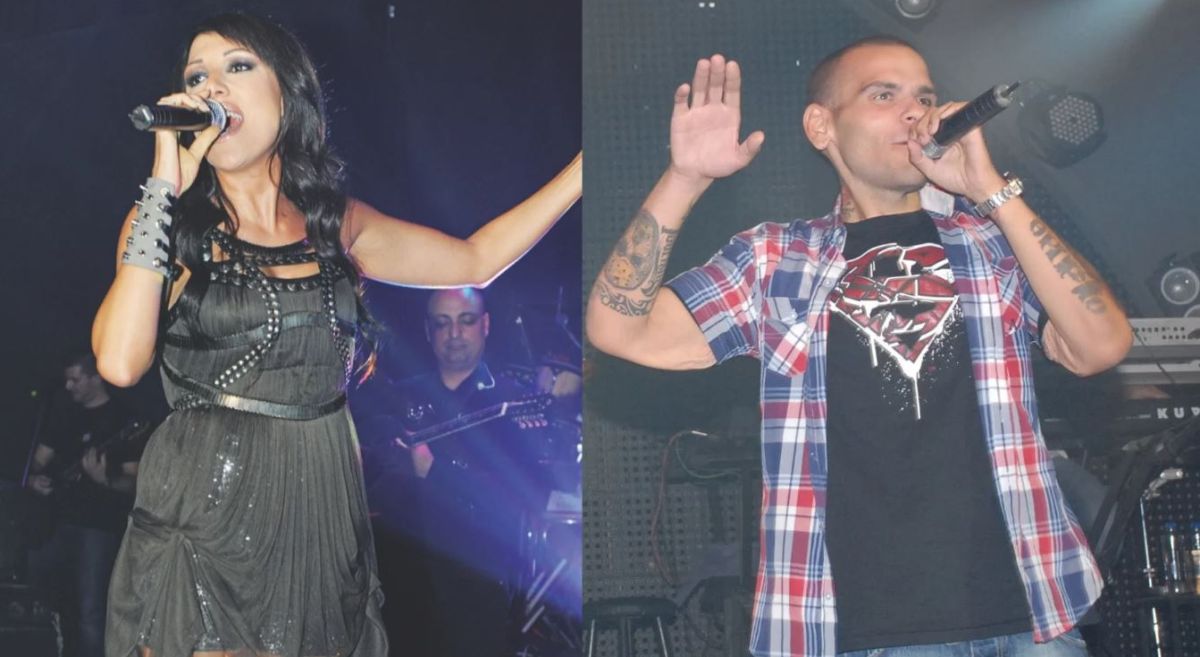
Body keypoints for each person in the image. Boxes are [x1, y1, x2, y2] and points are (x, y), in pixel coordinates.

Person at [586, 37, 1132, 657]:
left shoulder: (989, 243)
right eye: (883, 95)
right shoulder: (775, 259)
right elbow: (618, 329)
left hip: (1028, 619)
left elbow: (1102, 345)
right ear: (822, 127)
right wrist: (684, 180)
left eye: (924, 96)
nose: (914, 111)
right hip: (861, 631)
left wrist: (991, 191)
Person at [91, 12, 581, 657]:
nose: (212, 88)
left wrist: (585, 168)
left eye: (237, 66)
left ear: (286, 92)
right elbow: (120, 362)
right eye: (196, 77)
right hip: (207, 510)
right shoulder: (171, 224)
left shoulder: (336, 225)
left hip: (320, 512)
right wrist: (162, 186)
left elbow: (474, 260)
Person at [392, 288, 553, 657]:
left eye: (466, 321)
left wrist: (437, 472)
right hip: (404, 581)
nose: (454, 334)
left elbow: (529, 493)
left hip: (479, 582)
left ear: (485, 325)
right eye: (442, 323)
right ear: (428, 330)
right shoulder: (401, 397)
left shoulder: (512, 400)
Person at [25, 351, 145, 657]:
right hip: (54, 522)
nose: (68, 386)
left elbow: (135, 483)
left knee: (91, 611)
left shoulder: (123, 419)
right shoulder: (63, 414)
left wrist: (104, 479)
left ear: (95, 378)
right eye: (66, 380)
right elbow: (37, 460)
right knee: (45, 601)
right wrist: (33, 479)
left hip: (97, 528)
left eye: (75, 379)